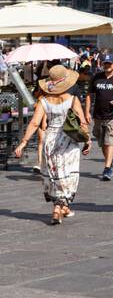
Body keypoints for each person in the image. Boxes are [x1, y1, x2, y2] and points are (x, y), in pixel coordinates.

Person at [14, 64, 92, 224]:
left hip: (50, 138)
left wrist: (23, 142)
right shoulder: (72, 99)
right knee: (69, 172)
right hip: (68, 139)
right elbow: (82, 122)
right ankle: (59, 206)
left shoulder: (43, 100)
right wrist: (88, 140)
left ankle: (63, 207)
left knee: (55, 173)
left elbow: (35, 123)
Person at [85, 53, 113, 181]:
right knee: (102, 142)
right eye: (105, 63)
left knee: (110, 140)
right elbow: (89, 95)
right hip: (98, 115)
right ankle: (109, 163)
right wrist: (87, 111)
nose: (107, 65)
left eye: (109, 63)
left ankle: (107, 168)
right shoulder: (96, 77)